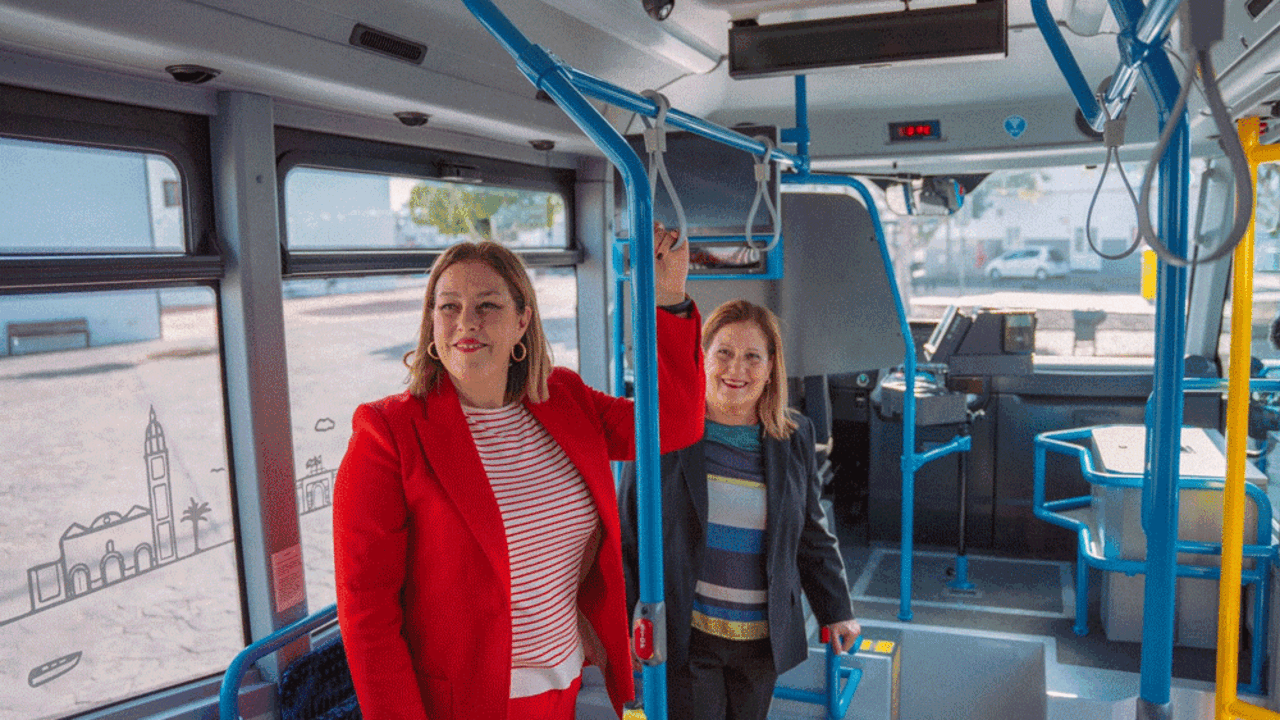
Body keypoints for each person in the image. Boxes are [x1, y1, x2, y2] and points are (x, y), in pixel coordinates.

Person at [334, 226, 703, 720]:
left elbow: (674, 424)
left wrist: (668, 298)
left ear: (523, 320)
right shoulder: (388, 434)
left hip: (566, 678)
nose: (467, 322)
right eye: (448, 306)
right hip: (464, 700)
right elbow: (368, 614)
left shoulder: (563, 397)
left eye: (487, 305)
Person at [619, 299, 861, 720]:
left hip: (762, 643)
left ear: (771, 369)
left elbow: (808, 531)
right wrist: (626, 623)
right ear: (703, 359)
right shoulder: (665, 430)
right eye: (724, 354)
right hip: (688, 634)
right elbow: (629, 534)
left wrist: (837, 610)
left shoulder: (795, 435)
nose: (737, 370)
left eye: (753, 357)